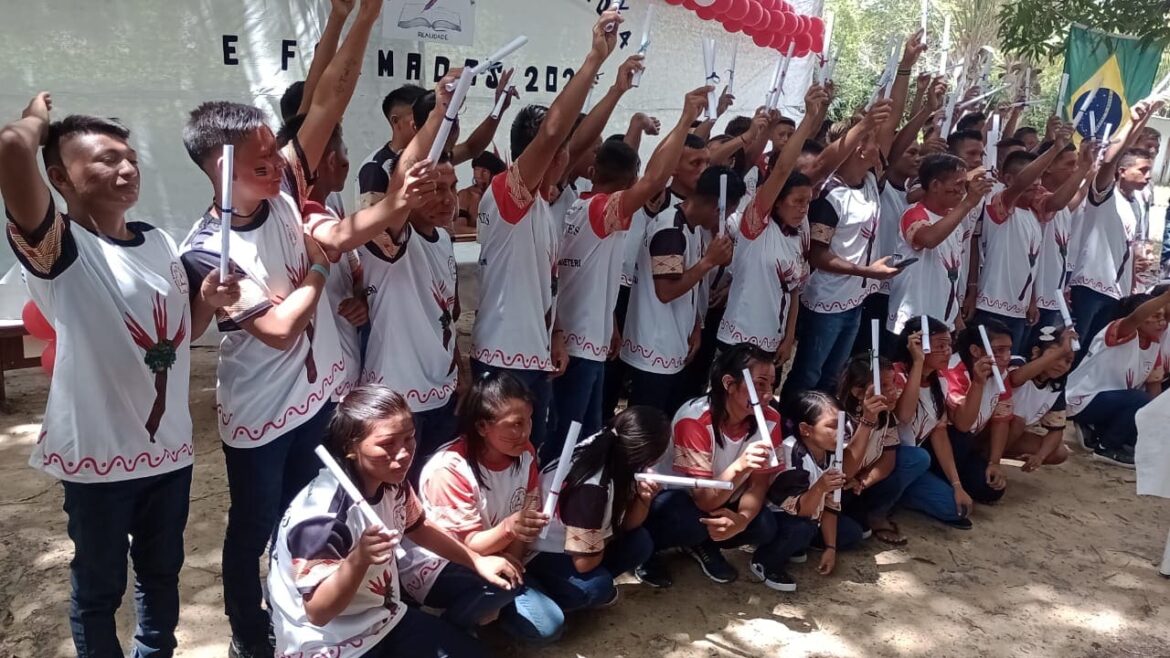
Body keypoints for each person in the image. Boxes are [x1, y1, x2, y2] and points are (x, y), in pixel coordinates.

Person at [178, 4, 447, 653]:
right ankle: (251, 635)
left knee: (312, 513)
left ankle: (312, 616)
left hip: (314, 399)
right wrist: (321, 273)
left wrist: (362, 17)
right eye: (259, 162)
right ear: (220, 170)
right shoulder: (206, 248)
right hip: (258, 413)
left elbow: (332, 92)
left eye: (276, 151)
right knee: (256, 528)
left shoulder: (284, 191)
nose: (278, 166)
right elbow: (277, 330)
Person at [0, 93, 238, 657]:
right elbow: (12, 148)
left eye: (129, 156)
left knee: (161, 575)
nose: (126, 167)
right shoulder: (58, 248)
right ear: (59, 176)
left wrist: (206, 300)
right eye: (105, 158)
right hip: (100, 458)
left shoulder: (156, 240)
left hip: (170, 451)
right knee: (99, 590)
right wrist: (37, 117)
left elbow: (180, 339)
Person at [267, 385, 522, 658]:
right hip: (325, 644)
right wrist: (359, 559)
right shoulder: (324, 520)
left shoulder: (392, 483)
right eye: (387, 444)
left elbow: (418, 525)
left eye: (409, 439)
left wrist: (476, 560)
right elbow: (318, 612)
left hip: (383, 618)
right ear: (350, 447)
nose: (403, 454)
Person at [471, 9, 624, 455]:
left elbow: (546, 287)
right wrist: (595, 58)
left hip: (533, 354)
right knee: (502, 461)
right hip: (502, 359)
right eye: (557, 149)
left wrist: (553, 333)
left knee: (530, 460)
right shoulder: (508, 194)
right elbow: (558, 130)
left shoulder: (540, 206)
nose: (569, 155)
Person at [552, 86, 707, 460]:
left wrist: (611, 323)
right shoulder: (603, 212)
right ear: (630, 178)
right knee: (570, 440)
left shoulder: (574, 205)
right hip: (581, 344)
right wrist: (685, 119)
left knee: (585, 432)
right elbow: (655, 180)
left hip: (581, 334)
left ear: (592, 172)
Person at [356, 83, 467, 479]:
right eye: (436, 189)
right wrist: (439, 110)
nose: (448, 198)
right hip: (399, 400)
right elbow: (400, 179)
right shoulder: (390, 242)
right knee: (397, 495)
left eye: (453, 188)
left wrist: (459, 365)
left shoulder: (443, 240)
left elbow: (446, 315)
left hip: (441, 392)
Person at [417, 372, 565, 644]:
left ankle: (491, 606)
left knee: (550, 624)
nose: (525, 432)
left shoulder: (525, 452)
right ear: (482, 426)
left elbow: (528, 508)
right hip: (450, 562)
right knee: (508, 594)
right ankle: (450, 625)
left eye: (529, 420)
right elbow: (467, 544)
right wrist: (509, 529)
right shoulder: (449, 470)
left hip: (499, 553)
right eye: (515, 424)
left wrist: (514, 559)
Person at [638, 344, 784, 589]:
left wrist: (741, 520)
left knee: (763, 526)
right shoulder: (694, 420)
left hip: (722, 498)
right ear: (729, 383)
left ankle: (703, 541)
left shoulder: (771, 419)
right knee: (686, 519)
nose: (768, 394)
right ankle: (649, 549)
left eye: (772, 385)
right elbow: (704, 500)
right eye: (759, 384)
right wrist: (740, 466)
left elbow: (759, 484)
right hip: (682, 499)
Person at [781, 101, 901, 399]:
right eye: (875, 142)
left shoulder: (871, 181)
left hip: (853, 298)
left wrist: (906, 67)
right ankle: (794, 424)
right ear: (861, 148)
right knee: (809, 373)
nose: (882, 147)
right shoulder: (831, 196)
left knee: (834, 374)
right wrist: (866, 271)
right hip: (827, 300)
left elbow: (890, 132)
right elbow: (817, 254)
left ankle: (821, 427)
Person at [618, 166, 744, 413]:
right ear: (717, 208)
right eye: (727, 213)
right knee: (647, 424)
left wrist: (696, 323)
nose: (726, 221)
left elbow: (691, 288)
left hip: (674, 342)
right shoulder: (670, 230)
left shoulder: (692, 227)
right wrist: (708, 261)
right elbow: (665, 291)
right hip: (654, 347)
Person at [717, 85, 828, 364]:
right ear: (776, 201)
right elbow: (780, 171)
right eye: (797, 202)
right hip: (739, 339)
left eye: (807, 202)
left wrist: (789, 336)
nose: (804, 209)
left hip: (773, 341)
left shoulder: (801, 231)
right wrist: (808, 120)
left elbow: (793, 289)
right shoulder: (755, 226)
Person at [527, 406, 671, 610]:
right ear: (650, 456)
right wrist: (603, 537)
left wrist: (644, 497)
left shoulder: (612, 445)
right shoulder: (592, 490)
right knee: (596, 586)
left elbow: (629, 525)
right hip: (544, 550)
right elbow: (583, 563)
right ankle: (552, 595)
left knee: (640, 542)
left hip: (577, 543)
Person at [973, 124, 1077, 352]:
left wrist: (1032, 301)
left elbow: (1033, 265)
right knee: (986, 363)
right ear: (1007, 178)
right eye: (1034, 176)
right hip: (994, 304)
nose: (1037, 183)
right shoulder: (999, 204)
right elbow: (1021, 183)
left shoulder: (1033, 214)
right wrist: (1053, 150)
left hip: (1020, 309)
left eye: (1040, 177)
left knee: (1012, 364)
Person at [1069, 99, 1162, 350]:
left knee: (1094, 351)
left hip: (1116, 292)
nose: (1148, 176)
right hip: (1089, 286)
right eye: (1142, 170)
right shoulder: (1106, 195)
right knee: (1075, 351)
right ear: (1122, 171)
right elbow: (1110, 161)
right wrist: (1133, 122)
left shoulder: (1137, 203)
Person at [357, 70, 516, 211]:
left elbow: (471, 148)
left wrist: (499, 108)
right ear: (396, 121)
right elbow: (375, 230)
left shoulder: (433, 155)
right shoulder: (376, 167)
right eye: (422, 115)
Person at [890, 318, 982, 528]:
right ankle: (883, 501)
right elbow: (904, 415)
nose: (947, 351)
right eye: (940, 346)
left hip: (913, 464)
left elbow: (939, 434)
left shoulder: (938, 381)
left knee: (954, 508)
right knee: (919, 457)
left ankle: (902, 494)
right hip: (892, 457)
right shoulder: (896, 373)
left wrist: (956, 485)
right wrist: (918, 363)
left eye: (949, 345)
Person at [765, 391, 860, 591]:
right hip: (783, 516)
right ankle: (765, 561)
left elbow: (831, 504)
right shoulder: (792, 453)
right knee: (801, 528)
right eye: (832, 426)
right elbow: (801, 510)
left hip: (811, 513)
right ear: (806, 429)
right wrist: (821, 487)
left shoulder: (833, 453)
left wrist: (831, 548)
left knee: (851, 533)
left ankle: (799, 545)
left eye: (842, 424)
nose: (840, 432)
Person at [888, 154, 992, 333]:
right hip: (913, 321)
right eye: (958, 184)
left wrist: (956, 316)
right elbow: (930, 239)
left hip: (943, 322)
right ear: (935, 185)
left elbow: (951, 272)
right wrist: (968, 203)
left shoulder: (954, 219)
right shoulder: (914, 213)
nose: (962, 191)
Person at [1067, 289, 1170, 467]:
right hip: (1083, 400)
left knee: (1145, 427)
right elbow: (1136, 318)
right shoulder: (1122, 331)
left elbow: (1154, 390)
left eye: (1163, 317)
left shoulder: (1153, 344)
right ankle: (1106, 448)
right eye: (1155, 316)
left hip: (1111, 403)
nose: (1161, 322)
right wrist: (1166, 297)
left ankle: (1094, 431)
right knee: (1138, 399)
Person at [837, 357, 928, 545]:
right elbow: (843, 472)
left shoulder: (886, 417)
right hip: (836, 488)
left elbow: (888, 460)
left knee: (891, 484)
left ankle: (874, 513)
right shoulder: (840, 421)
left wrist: (863, 482)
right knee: (854, 534)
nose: (893, 391)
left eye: (893, 382)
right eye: (884, 386)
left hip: (856, 484)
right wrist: (867, 421)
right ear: (858, 392)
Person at [1029, 138, 1095, 345]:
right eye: (1069, 164)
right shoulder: (1036, 196)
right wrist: (1083, 169)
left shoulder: (1063, 204)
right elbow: (1056, 203)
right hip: (1034, 295)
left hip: (1053, 294)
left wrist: (1089, 175)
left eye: (1076, 164)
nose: (1073, 169)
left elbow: (1074, 197)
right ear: (1047, 168)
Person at [942, 323, 1012, 504]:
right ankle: (943, 479)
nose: (1006, 357)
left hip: (969, 442)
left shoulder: (1001, 373)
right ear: (975, 350)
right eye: (999, 350)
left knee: (991, 489)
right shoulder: (955, 370)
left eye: (1009, 350)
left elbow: (1001, 419)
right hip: (946, 443)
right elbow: (962, 424)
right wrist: (978, 383)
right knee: (962, 438)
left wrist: (994, 462)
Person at [1005, 326, 1074, 471]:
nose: (1061, 364)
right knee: (1017, 422)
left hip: (1011, 434)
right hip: (986, 429)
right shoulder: (1018, 362)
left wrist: (1040, 457)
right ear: (1036, 352)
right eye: (1055, 356)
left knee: (1059, 452)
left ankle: (995, 456)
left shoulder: (1055, 387)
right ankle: (984, 458)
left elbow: (1057, 429)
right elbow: (1016, 379)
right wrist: (1062, 350)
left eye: (1067, 361)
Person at [455, 151, 506, 237]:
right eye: (476, 169)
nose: (479, 175)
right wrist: (486, 233)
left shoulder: (501, 196)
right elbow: (458, 228)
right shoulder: (465, 196)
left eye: (485, 171)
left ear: (493, 174)